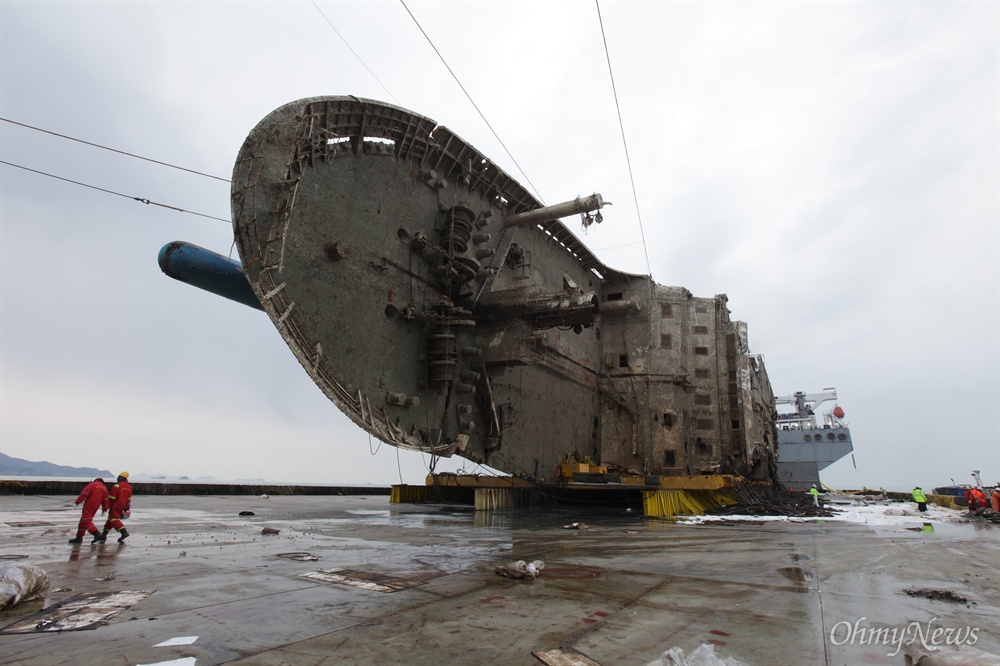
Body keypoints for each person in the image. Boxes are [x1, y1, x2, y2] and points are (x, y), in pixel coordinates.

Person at [69, 478, 110, 544]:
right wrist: (105, 509)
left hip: (89, 503)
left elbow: (84, 493)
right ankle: (79, 537)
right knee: (83, 521)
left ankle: (96, 534)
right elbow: (106, 499)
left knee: (86, 520)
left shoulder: (92, 484)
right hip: (96, 505)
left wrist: (78, 501)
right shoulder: (104, 488)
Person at [101, 472, 133, 542]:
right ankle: (104, 534)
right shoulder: (129, 487)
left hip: (116, 505)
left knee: (114, 519)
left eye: (119, 476)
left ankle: (124, 532)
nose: (118, 478)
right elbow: (129, 499)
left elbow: (111, 498)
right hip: (123, 506)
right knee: (110, 520)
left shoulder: (117, 486)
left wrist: (106, 507)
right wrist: (127, 508)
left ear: (122, 477)